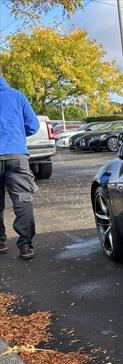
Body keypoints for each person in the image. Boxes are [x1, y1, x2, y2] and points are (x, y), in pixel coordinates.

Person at [0, 75, 40, 260]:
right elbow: (33, 126)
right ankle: (25, 244)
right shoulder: (17, 96)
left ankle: (0, 241)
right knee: (22, 200)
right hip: (16, 154)